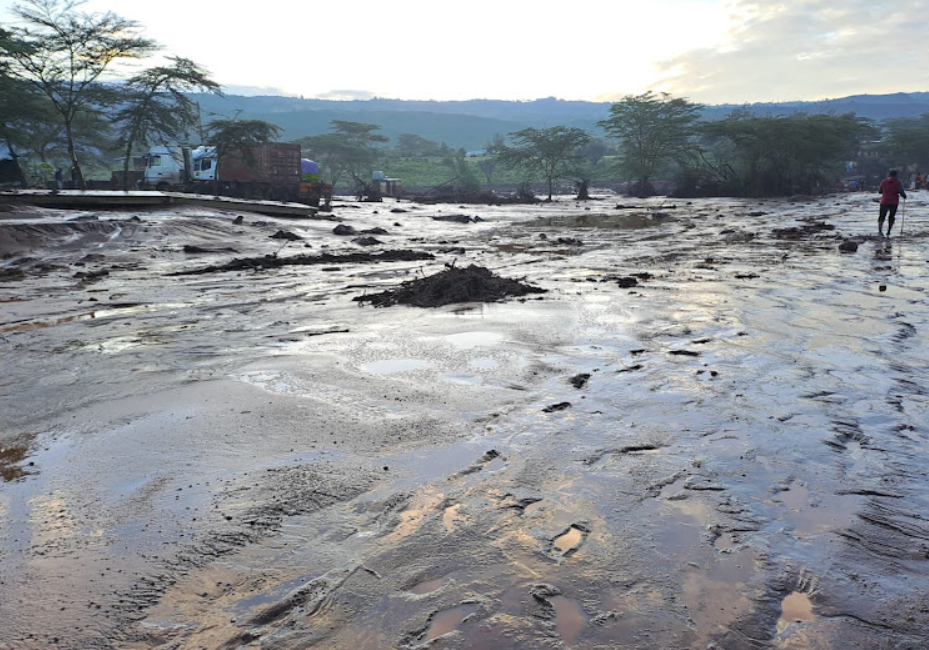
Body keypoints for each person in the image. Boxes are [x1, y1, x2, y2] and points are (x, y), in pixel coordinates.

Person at [878, 169, 906, 238]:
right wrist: (904, 196)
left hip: (884, 201)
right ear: (896, 175)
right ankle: (888, 232)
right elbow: (901, 191)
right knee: (891, 217)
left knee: (882, 216)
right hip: (894, 202)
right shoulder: (898, 182)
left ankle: (880, 231)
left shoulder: (884, 181)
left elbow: (880, 191)